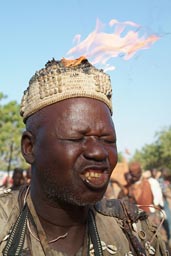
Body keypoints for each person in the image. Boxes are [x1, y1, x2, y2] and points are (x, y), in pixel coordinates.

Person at [0, 57, 168, 255]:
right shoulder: (5, 223)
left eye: (107, 139)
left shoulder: (134, 231)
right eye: (76, 138)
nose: (98, 152)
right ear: (30, 147)